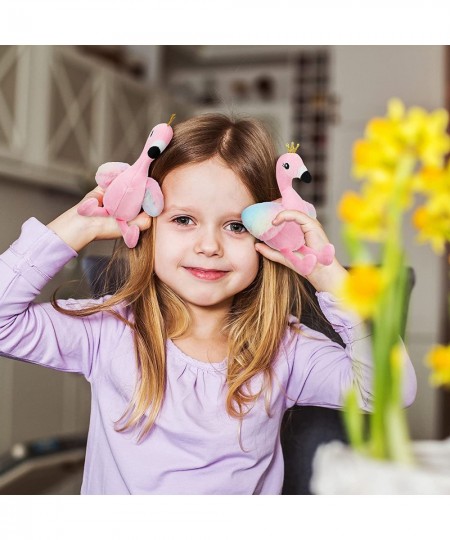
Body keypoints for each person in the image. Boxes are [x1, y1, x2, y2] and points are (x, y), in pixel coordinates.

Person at [0, 114, 417, 495]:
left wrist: (327, 276)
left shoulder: (283, 349)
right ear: (149, 224)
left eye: (235, 226)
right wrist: (77, 224)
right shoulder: (107, 330)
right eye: (184, 220)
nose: (209, 246)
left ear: (267, 236)